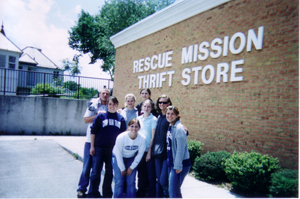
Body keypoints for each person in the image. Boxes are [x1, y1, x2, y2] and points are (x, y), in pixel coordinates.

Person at [87, 96, 127, 198]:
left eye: (114, 104)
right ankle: (93, 193)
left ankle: (107, 194)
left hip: (113, 150)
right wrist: (92, 146)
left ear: (117, 105)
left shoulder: (121, 119)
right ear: (107, 105)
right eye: (110, 104)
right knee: (95, 172)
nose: (112, 106)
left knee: (109, 172)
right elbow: (93, 132)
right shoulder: (100, 117)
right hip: (99, 148)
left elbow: (122, 136)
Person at [77, 88, 110, 198]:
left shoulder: (110, 104)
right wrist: (98, 115)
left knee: (97, 169)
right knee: (87, 167)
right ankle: (81, 189)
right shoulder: (94, 104)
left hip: (101, 142)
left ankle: (93, 192)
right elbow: (86, 120)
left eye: (107, 93)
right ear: (99, 94)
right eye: (103, 93)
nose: (105, 95)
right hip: (89, 141)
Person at [112, 119, 146, 198]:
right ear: (128, 127)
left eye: (136, 127)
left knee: (131, 182)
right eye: (132, 126)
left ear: (139, 128)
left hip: (131, 158)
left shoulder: (142, 139)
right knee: (119, 181)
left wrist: (131, 167)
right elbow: (118, 153)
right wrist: (122, 168)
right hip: (118, 157)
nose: (134, 129)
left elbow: (140, 154)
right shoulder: (121, 137)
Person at [166, 106, 191, 198]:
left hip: (180, 164)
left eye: (172, 114)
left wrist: (178, 166)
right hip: (172, 163)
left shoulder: (179, 128)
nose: (170, 116)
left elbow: (180, 149)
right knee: (176, 191)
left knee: (173, 192)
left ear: (177, 115)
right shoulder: (171, 126)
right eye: (168, 113)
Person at [151, 94, 172, 197]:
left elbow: (178, 125)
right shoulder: (159, 116)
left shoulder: (170, 117)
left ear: (168, 103)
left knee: (163, 181)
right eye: (160, 102)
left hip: (166, 154)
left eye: (164, 102)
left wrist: (185, 130)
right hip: (157, 153)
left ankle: (171, 196)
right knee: (159, 180)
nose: (162, 104)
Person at [136, 99, 157, 198]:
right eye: (145, 106)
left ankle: (151, 194)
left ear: (152, 108)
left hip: (149, 150)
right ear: (142, 107)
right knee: (141, 173)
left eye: (149, 106)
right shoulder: (139, 118)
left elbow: (153, 137)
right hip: (140, 150)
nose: (146, 108)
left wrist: (149, 152)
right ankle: (141, 192)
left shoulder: (154, 120)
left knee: (150, 175)